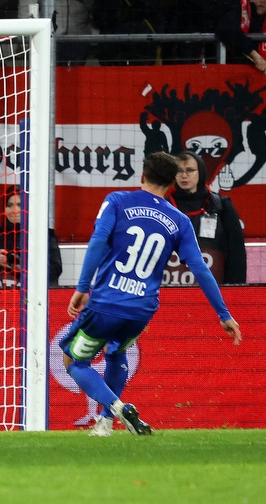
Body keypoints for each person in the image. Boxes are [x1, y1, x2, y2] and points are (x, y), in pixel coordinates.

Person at [61, 152, 242, 437]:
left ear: (142, 175)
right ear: (172, 183)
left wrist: (83, 287)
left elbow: (97, 240)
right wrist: (224, 314)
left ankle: (117, 408)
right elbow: (201, 269)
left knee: (73, 361)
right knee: (116, 351)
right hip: (142, 310)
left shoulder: (117, 201)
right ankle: (105, 424)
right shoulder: (179, 220)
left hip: (107, 303)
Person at [166, 151, 246, 285]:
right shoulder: (164, 207)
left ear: (201, 172)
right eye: (179, 171)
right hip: (170, 291)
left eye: (190, 170)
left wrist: (236, 289)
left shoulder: (221, 206)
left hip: (212, 292)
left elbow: (236, 252)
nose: (184, 175)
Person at [0, 189, 63, 288]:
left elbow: (55, 270)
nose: (14, 210)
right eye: (9, 205)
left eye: (19, 205)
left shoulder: (43, 235)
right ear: (4, 209)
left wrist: (23, 266)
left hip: (31, 298)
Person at [217, 0, 266, 74]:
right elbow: (226, 29)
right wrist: (254, 55)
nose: (263, 0)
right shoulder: (239, 9)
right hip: (237, 74)